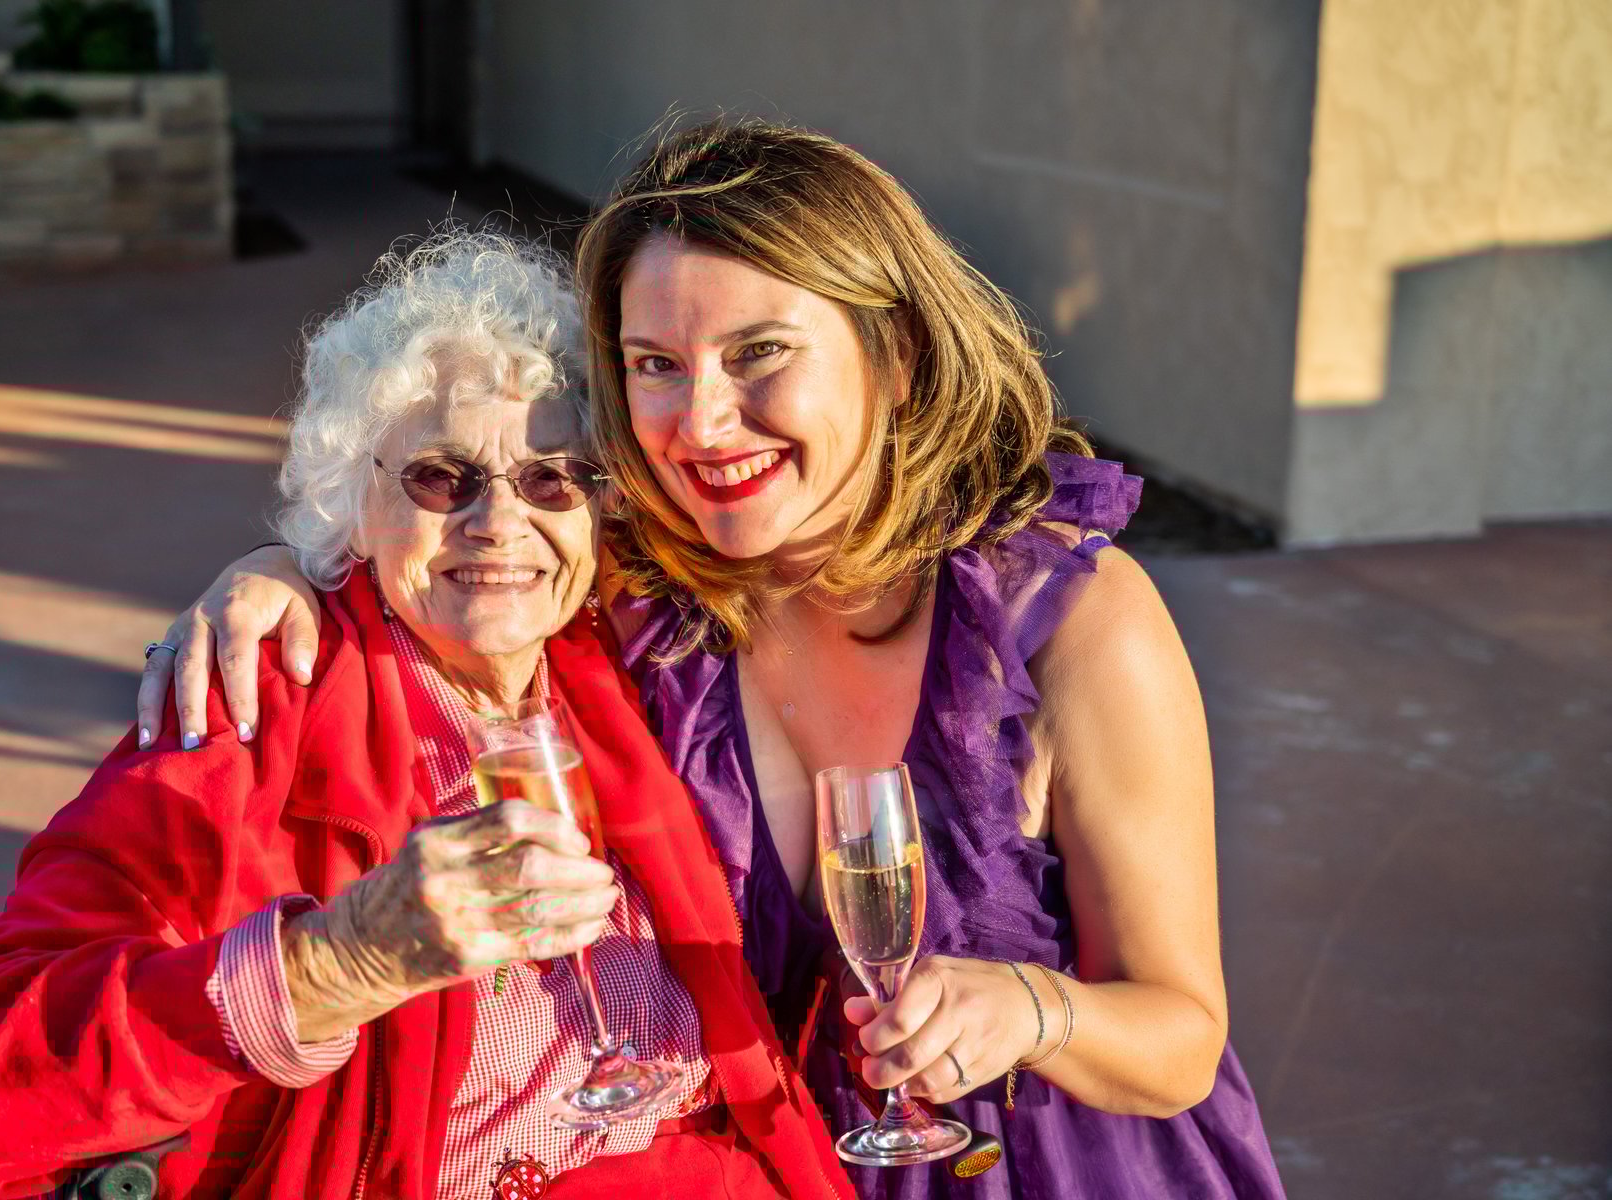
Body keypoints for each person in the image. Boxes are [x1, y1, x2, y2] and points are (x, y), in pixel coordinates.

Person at [139, 121, 1286, 1199]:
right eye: (656, 363)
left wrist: (1033, 1012)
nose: (702, 422)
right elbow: (454, 547)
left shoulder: (1067, 627)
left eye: (759, 353)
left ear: (892, 352)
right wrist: (282, 568)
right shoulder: (653, 599)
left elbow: (1182, 1040)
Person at [0, 232, 853, 1200]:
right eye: (441, 477)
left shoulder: (632, 662)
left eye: (552, 477)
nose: (499, 523)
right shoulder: (255, 702)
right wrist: (339, 962)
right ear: (351, 503)